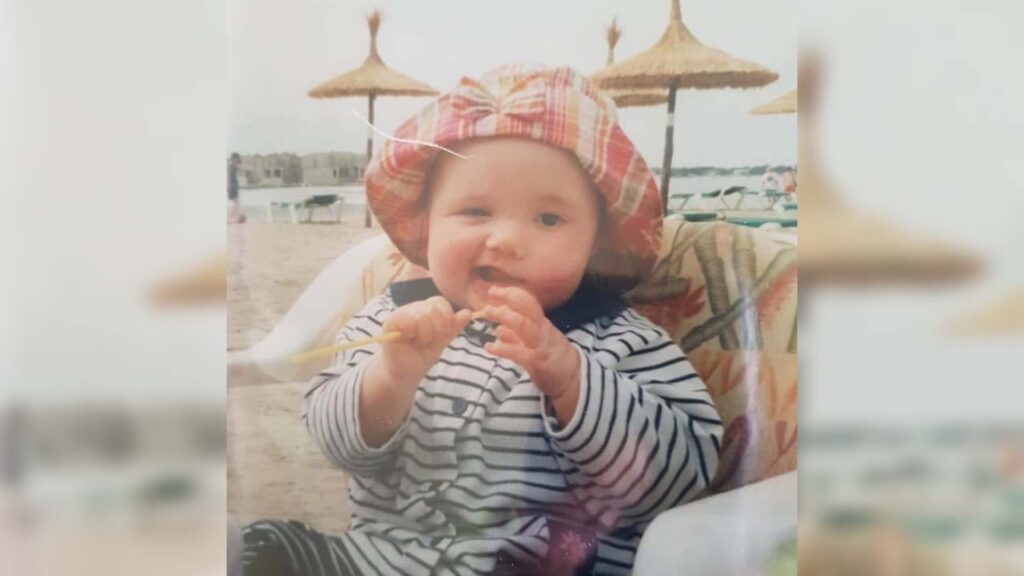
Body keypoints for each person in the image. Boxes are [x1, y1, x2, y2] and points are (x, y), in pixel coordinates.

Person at [239, 65, 722, 576]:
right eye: (475, 211)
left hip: (542, 564)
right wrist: (391, 377)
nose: (507, 239)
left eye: (549, 219)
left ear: (596, 246)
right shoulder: (392, 317)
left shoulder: (620, 338)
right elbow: (335, 444)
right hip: (381, 560)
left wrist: (571, 381)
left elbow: (681, 477)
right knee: (261, 548)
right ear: (427, 227)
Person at [228, 152, 245, 223]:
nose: (238, 160)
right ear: (234, 158)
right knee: (235, 203)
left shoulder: (231, 166)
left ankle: (233, 218)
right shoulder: (232, 166)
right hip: (232, 187)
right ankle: (231, 218)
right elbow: (241, 168)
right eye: (237, 158)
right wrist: (239, 161)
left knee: (236, 203)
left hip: (232, 187)